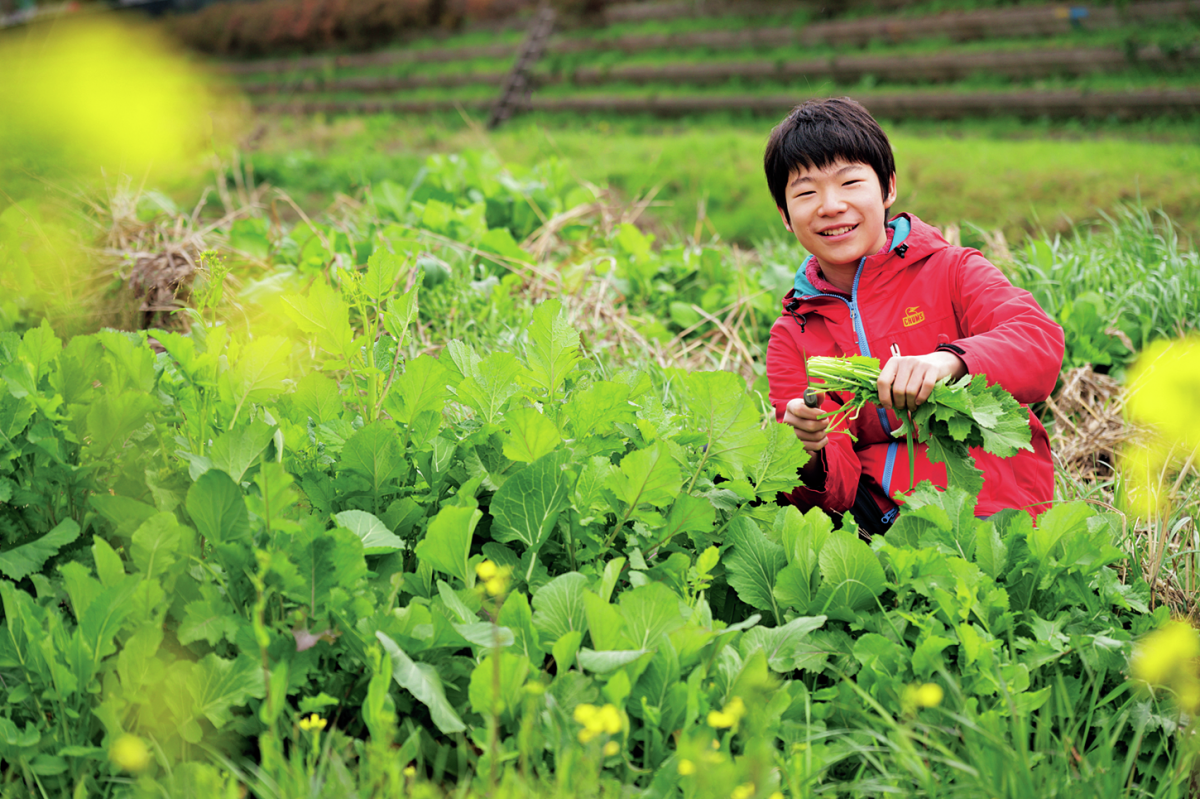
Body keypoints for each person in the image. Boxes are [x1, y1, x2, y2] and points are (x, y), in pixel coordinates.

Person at [763, 97, 1063, 535]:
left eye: (850, 183)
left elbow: (1039, 342)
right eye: (806, 192)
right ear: (785, 217)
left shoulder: (953, 270)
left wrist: (948, 361)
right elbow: (833, 492)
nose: (830, 206)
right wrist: (810, 450)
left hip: (999, 516)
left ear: (887, 188)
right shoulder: (793, 334)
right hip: (888, 534)